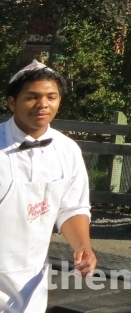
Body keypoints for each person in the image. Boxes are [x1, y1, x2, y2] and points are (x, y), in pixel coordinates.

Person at [2, 60, 97, 313]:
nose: (42, 104)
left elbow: (72, 207)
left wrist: (83, 247)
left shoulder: (67, 150)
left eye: (51, 97)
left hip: (32, 278)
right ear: (12, 102)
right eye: (32, 97)